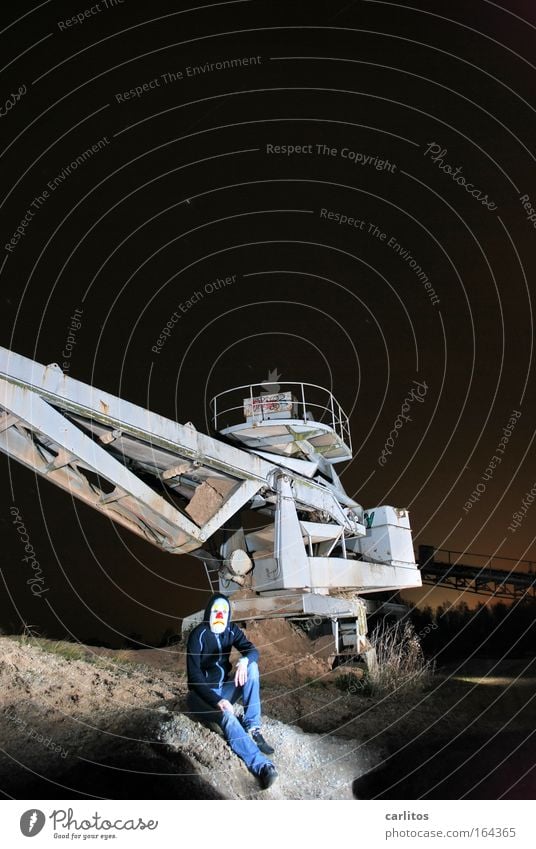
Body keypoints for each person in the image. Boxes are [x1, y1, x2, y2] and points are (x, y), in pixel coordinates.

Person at [186, 592, 278, 790]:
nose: (220, 616)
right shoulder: (198, 635)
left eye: (224, 612)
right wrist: (216, 701)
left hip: (223, 688)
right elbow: (194, 678)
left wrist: (245, 661)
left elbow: (253, 651)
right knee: (228, 716)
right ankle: (262, 766)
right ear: (209, 612)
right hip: (200, 696)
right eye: (216, 611)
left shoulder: (231, 630)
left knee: (252, 667)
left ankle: (253, 727)